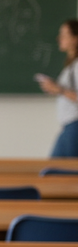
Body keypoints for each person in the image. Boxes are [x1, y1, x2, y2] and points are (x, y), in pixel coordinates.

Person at [38, 19, 78, 157]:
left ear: (75, 38)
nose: (59, 38)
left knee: (62, 173)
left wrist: (59, 90)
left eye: (64, 35)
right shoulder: (71, 66)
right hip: (69, 126)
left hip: (74, 126)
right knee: (56, 172)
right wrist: (56, 89)